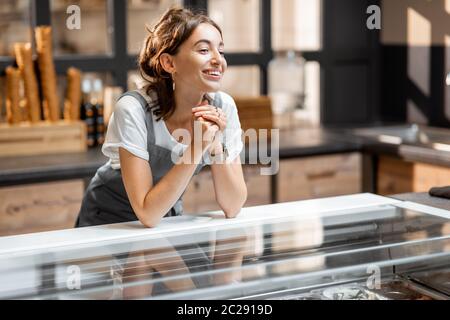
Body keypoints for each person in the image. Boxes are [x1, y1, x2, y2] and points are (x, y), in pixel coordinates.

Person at [75, 6, 247, 229]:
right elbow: (147, 213)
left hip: (165, 215)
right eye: (204, 50)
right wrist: (197, 146)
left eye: (221, 51)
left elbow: (233, 206)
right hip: (108, 222)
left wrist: (215, 146)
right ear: (169, 63)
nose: (218, 60)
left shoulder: (223, 106)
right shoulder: (133, 109)